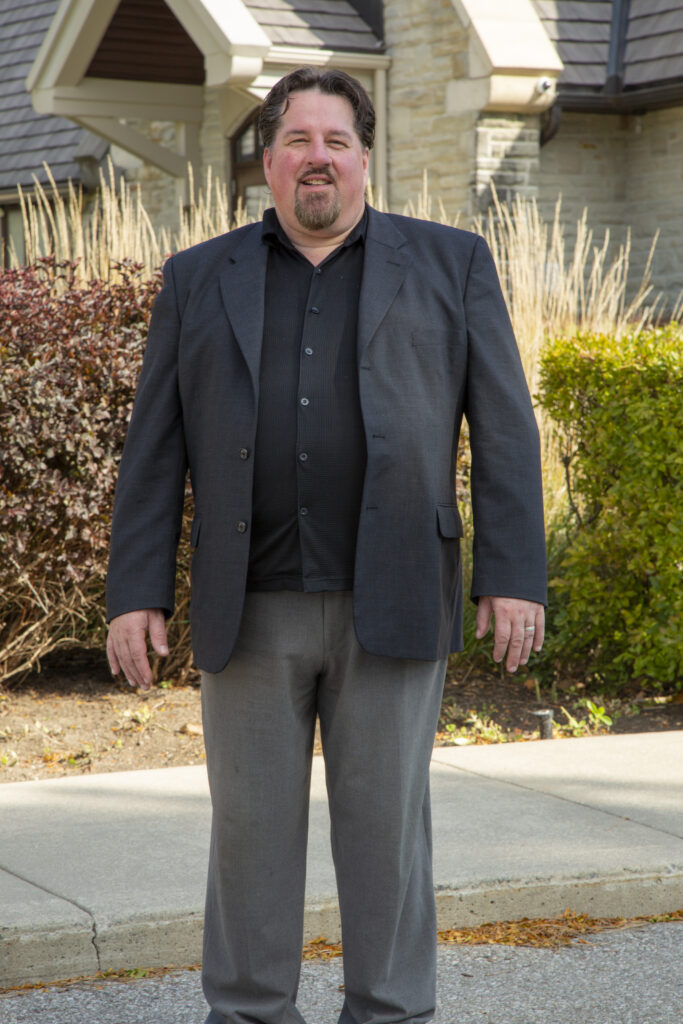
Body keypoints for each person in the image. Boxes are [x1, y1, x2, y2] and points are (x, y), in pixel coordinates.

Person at [106, 67, 546, 1024]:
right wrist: (136, 591)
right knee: (249, 834)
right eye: (297, 140)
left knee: (386, 836)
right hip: (249, 606)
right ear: (267, 160)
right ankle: (248, 1013)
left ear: (364, 159)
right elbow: (155, 448)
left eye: (335, 141)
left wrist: (512, 576)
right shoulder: (197, 278)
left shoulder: (452, 263)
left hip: (394, 595)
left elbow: (505, 430)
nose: (317, 158)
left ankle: (389, 1012)